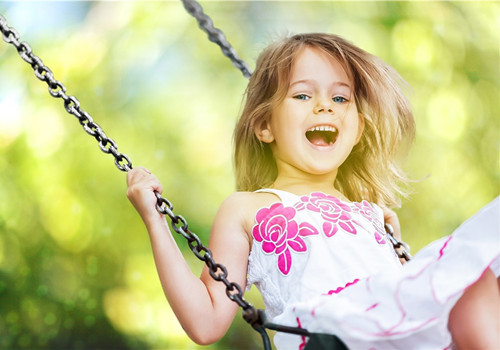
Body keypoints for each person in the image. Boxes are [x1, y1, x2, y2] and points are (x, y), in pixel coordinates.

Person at [126, 33, 500, 349]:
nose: (324, 106)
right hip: (324, 336)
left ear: (357, 130)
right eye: (303, 96)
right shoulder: (248, 208)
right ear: (264, 127)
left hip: (389, 335)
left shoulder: (372, 214)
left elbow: (407, 297)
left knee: (474, 272)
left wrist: (394, 249)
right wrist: (154, 219)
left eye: (340, 99)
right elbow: (206, 323)